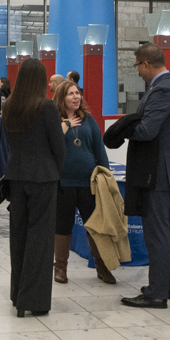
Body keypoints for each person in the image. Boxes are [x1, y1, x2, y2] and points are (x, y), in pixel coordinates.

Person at [120, 43, 170, 309]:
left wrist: (122, 131)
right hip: (169, 169)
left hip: (157, 170)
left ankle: (157, 292)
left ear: (147, 64)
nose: (137, 71)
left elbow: (148, 130)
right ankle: (169, 285)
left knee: (157, 232)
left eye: (138, 65)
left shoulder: (162, 89)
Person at [2, 59, 65, 317]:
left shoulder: (9, 106)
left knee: (19, 235)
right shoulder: (47, 107)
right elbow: (58, 147)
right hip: (43, 178)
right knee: (40, 238)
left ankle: (18, 294)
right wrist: (56, 171)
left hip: (16, 176)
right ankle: (34, 299)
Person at [53, 79, 112, 284]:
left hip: (89, 183)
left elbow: (99, 148)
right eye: (71, 93)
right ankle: (60, 267)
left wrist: (105, 173)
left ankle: (102, 266)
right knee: (63, 226)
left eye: (77, 93)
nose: (76, 97)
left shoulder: (88, 120)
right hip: (63, 183)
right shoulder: (54, 120)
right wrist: (66, 125)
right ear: (62, 97)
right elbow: (50, 145)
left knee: (94, 226)